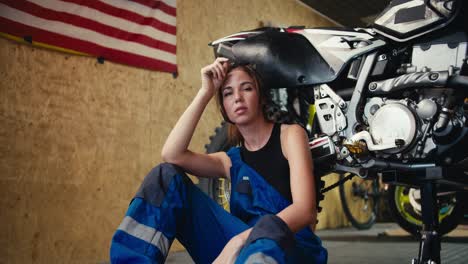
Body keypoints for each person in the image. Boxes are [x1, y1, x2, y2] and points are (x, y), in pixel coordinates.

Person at [110, 57, 327, 264]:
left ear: (261, 97)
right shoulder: (230, 161)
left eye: (247, 88)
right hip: (240, 253)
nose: (238, 98)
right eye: (228, 93)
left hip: (288, 248)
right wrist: (206, 92)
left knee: (268, 224)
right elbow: (172, 154)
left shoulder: (290, 135)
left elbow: (304, 210)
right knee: (164, 176)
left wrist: (238, 240)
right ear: (224, 108)